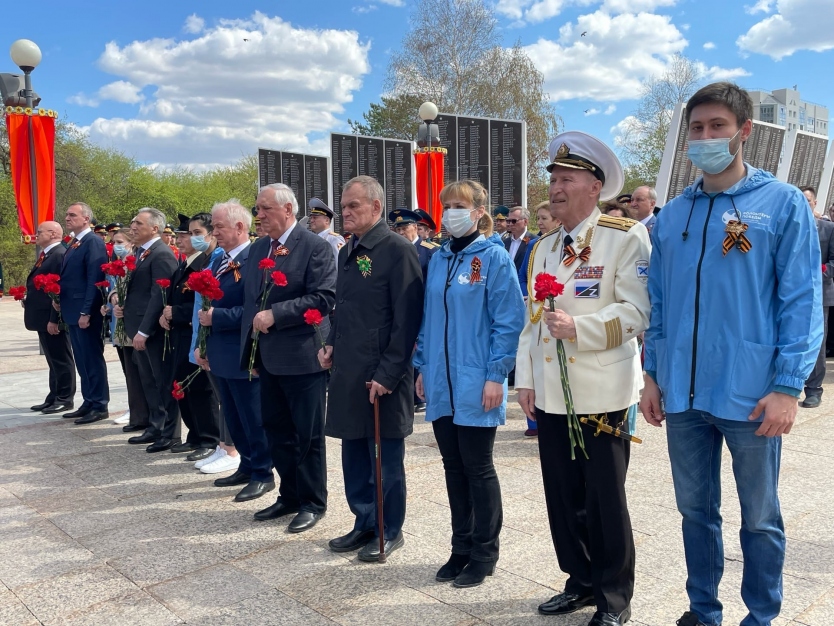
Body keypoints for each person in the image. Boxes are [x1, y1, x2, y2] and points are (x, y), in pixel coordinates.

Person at [640, 82, 822, 626]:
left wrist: (788, 385)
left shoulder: (781, 204)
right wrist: (653, 374)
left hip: (751, 391)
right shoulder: (674, 215)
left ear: (744, 131)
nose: (705, 137)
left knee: (760, 516)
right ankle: (703, 610)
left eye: (717, 126)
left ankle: (760, 615)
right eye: (697, 128)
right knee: (695, 511)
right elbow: (660, 303)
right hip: (684, 393)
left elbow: (801, 300)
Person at [516, 131, 650, 626]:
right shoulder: (543, 248)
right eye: (553, 178)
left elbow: (637, 311)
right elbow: (531, 320)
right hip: (552, 392)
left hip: (602, 391)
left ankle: (614, 597)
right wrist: (526, 378)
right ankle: (580, 580)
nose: (555, 187)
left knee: (604, 498)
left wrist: (581, 329)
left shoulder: (624, 237)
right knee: (563, 495)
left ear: (595, 187)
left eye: (567, 178)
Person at [413, 179, 525, 588]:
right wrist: (422, 366)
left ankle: (484, 553)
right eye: (446, 206)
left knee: (478, 468)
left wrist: (497, 374)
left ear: (479, 212)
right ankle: (460, 547)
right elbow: (428, 318)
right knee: (452, 466)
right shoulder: (440, 258)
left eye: (458, 206)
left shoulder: (493, 258)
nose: (450, 214)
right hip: (441, 379)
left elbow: (508, 321)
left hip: (478, 379)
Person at [319, 175, 424, 562]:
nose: (345, 212)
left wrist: (388, 374)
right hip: (349, 371)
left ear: (376, 207)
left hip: (381, 375)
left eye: (354, 206)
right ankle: (364, 520)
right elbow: (344, 307)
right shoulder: (348, 250)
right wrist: (331, 343)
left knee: (384, 459)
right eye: (343, 206)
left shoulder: (397, 250)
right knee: (354, 454)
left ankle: (389, 528)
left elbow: (407, 320)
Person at [239, 183, 336, 532]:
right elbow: (252, 302)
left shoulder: (314, 246)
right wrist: (250, 351)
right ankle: (290, 495)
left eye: (265, 208)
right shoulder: (259, 248)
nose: (259, 215)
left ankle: (313, 501)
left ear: (288, 210)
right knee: (276, 429)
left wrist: (277, 315)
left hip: (302, 357)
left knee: (307, 435)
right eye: (257, 209)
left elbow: (324, 297)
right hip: (267, 357)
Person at [195, 200, 274, 502]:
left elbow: (255, 308)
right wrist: (202, 344)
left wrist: (218, 317)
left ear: (240, 227)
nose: (214, 232)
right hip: (220, 352)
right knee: (233, 416)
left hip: (242, 353)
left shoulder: (255, 259)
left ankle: (263, 472)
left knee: (252, 417)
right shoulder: (221, 259)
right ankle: (247, 465)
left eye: (218, 227)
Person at [159, 213, 222, 459]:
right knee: (184, 386)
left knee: (200, 389)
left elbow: (202, 303)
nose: (184, 240)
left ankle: (209, 438)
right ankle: (195, 435)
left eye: (195, 234)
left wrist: (177, 312)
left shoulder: (210, 261)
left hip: (194, 332)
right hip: (183, 334)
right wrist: (166, 313)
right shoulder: (188, 263)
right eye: (187, 234)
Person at [116, 208, 179, 451]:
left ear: (154, 228)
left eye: (138, 223)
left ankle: (168, 432)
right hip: (137, 327)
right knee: (148, 381)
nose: (132, 227)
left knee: (161, 381)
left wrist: (144, 330)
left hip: (152, 331)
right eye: (132, 222)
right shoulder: (142, 253)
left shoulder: (161, 254)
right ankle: (155, 426)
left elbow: (158, 296)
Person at [187, 213, 242, 474]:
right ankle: (223, 445)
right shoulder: (215, 259)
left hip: (224, 335)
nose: (193, 238)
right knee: (224, 398)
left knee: (228, 399)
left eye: (198, 233)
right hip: (207, 333)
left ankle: (231, 449)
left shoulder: (232, 258)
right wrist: (200, 342)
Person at [59, 202, 110, 424]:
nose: (67, 218)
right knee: (82, 360)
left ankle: (99, 404)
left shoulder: (93, 242)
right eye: (67, 214)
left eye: (72, 215)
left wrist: (86, 311)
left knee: (91, 359)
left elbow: (94, 280)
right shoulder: (75, 242)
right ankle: (89, 401)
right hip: (72, 310)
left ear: (86, 219)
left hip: (84, 312)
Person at [23, 221, 77, 415]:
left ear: (53, 233)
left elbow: (58, 290)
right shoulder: (48, 254)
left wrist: (54, 318)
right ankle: (54, 395)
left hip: (51, 317)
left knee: (61, 358)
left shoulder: (59, 254)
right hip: (41, 316)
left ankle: (65, 398)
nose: (36, 235)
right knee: (53, 359)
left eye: (40, 232)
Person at [517, 200, 560, 437]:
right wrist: (529, 294)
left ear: (557, 219)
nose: (540, 223)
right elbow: (524, 275)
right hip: (535, 308)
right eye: (539, 218)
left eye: (545, 218)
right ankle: (534, 421)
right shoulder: (535, 245)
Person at [104, 230, 144, 429]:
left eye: (120, 242)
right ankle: (134, 408)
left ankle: (138, 411)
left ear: (131, 243)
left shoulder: (136, 263)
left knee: (136, 373)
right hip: (119, 323)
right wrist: (111, 298)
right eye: (114, 242)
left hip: (132, 325)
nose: (116, 246)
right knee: (128, 371)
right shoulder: (118, 263)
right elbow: (114, 287)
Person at [801, 187, 834, 408]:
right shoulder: (787, 226)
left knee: (816, 342)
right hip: (788, 293)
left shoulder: (828, 229)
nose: (804, 204)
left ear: (815, 203)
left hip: (819, 294)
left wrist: (816, 271)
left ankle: (814, 390)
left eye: (807, 200)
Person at [307, 197, 346, 267]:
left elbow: (340, 264)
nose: (311, 220)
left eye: (315, 217)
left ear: (327, 220)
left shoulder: (334, 239)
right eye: (311, 218)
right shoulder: (312, 240)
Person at [503, 206, 535, 273]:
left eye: (514, 221)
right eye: (508, 221)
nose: (510, 224)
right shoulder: (504, 242)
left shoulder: (534, 241)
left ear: (525, 222)